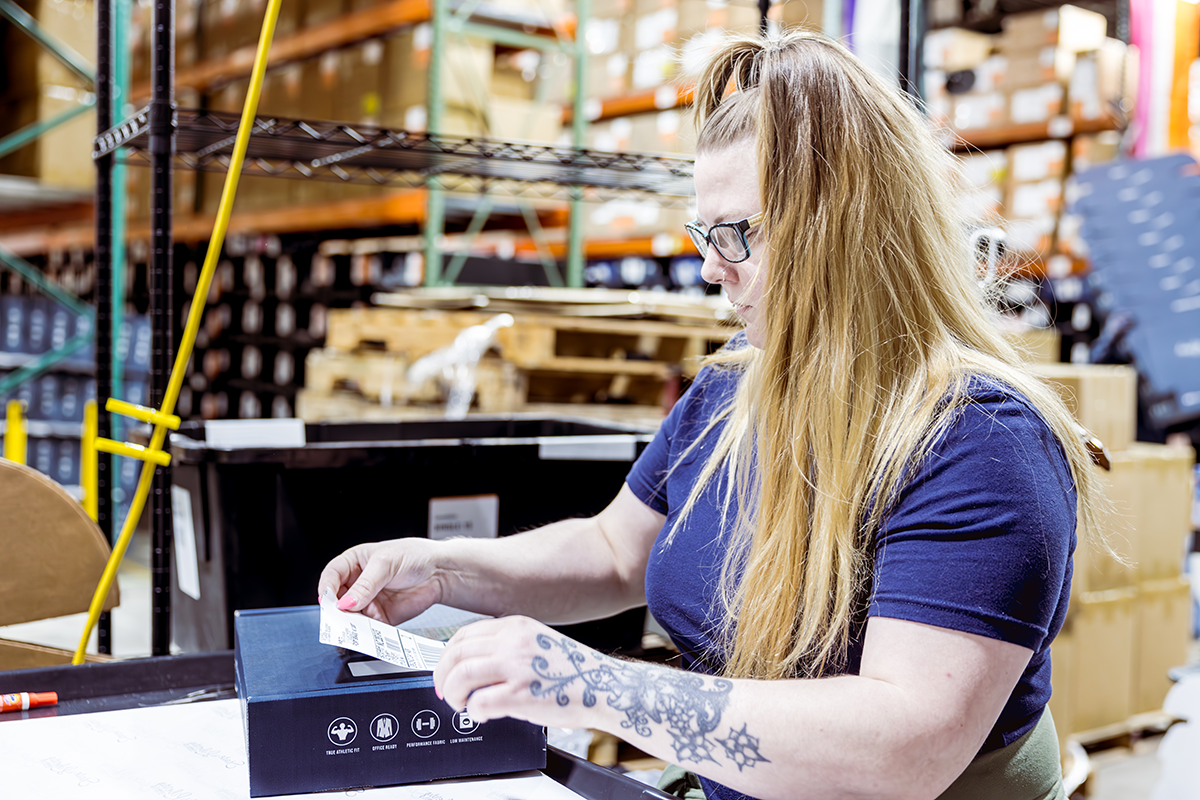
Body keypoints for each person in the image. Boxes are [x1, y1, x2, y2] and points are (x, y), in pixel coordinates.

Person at [319, 30, 1109, 800]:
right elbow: (614, 551)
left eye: (738, 235)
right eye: (705, 231)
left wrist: (591, 685)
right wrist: (444, 571)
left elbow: (901, 749)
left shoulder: (981, 441)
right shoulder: (736, 386)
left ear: (846, 226)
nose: (709, 267)